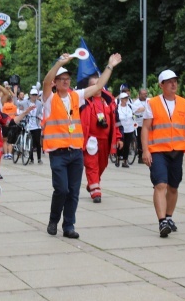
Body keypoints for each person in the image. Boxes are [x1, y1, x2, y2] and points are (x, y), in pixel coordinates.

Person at [43, 52, 122, 239]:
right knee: (61, 189)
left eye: (67, 78)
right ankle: (54, 219)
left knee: (73, 192)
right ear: (56, 81)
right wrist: (59, 63)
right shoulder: (49, 99)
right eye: (61, 79)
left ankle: (68, 225)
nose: (65, 81)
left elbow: (98, 86)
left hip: (76, 152)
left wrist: (110, 65)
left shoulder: (75, 97)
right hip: (58, 153)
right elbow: (46, 81)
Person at [141, 70, 185, 237]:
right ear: (161, 85)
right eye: (169, 81)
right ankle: (162, 221)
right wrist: (145, 150)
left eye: (175, 81)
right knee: (160, 184)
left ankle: (169, 217)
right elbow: (146, 128)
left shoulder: (184, 103)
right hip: (157, 150)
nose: (173, 84)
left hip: (177, 150)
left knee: (173, 187)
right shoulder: (153, 103)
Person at [80, 72, 121, 202]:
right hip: (90, 140)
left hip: (105, 140)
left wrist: (119, 138)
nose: (97, 87)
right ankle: (96, 192)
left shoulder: (110, 102)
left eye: (99, 84)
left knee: (102, 165)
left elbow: (116, 122)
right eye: (93, 85)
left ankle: (93, 183)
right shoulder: (83, 102)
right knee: (92, 165)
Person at [116, 92, 134, 168]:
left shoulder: (130, 106)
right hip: (121, 129)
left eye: (127, 98)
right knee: (121, 145)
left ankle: (125, 161)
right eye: (125, 98)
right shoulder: (117, 108)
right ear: (121, 99)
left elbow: (134, 114)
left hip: (129, 128)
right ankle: (118, 157)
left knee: (127, 145)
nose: (126, 100)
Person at [26, 88, 44, 164]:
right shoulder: (26, 102)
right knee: (30, 143)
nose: (34, 96)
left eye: (35, 95)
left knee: (37, 142)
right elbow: (17, 103)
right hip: (28, 125)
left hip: (36, 125)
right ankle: (31, 159)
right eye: (33, 95)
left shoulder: (39, 103)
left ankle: (39, 158)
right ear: (30, 95)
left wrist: (39, 117)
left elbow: (41, 112)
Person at [131, 88, 148, 164]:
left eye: (146, 94)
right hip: (139, 123)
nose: (145, 95)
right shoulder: (136, 103)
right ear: (140, 95)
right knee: (140, 140)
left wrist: (143, 109)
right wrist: (143, 109)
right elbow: (135, 111)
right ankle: (140, 157)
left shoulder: (149, 101)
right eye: (143, 94)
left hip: (147, 123)